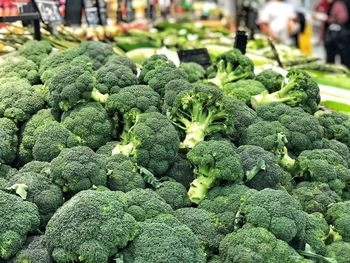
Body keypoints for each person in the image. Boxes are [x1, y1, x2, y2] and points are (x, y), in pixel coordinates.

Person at [324, 0, 350, 68]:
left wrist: (328, 19)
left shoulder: (338, 3)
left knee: (341, 59)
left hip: (339, 37)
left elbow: (342, 18)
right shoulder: (333, 4)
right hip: (339, 37)